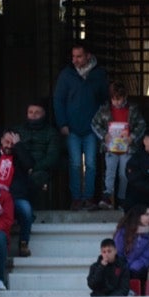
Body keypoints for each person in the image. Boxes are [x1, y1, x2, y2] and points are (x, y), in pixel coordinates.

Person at [55, 42, 111, 210]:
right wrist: (62, 123)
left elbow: (105, 101)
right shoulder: (66, 74)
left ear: (88, 56)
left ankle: (88, 197)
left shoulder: (99, 74)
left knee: (92, 163)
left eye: (79, 56)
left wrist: (104, 125)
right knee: (75, 164)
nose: (75, 60)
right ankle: (76, 198)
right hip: (72, 128)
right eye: (73, 57)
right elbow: (58, 100)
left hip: (93, 129)